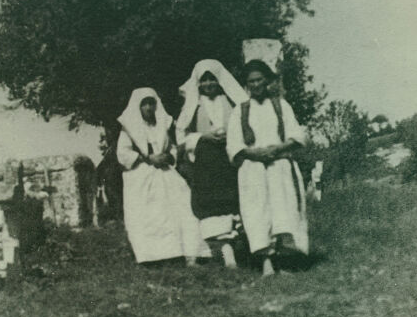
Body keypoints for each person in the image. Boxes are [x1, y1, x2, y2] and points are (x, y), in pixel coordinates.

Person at [226, 59, 308, 275]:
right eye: (251, 81)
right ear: (246, 84)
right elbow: (234, 145)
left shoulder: (281, 105)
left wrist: (279, 148)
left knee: (284, 212)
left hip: (279, 166)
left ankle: (286, 260)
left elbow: (297, 135)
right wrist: (254, 152)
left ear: (268, 81)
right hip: (254, 170)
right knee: (259, 214)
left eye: (259, 80)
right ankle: (266, 262)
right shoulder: (239, 111)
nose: (255, 85)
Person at [116, 88, 206, 265]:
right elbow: (123, 154)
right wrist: (147, 158)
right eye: (144, 104)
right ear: (137, 107)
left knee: (181, 206)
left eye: (151, 103)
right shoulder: (129, 130)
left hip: (165, 173)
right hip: (142, 175)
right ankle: (152, 256)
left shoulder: (161, 125)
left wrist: (168, 156)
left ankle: (185, 252)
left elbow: (171, 146)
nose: (149, 108)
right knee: (151, 213)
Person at [176, 60, 249, 267]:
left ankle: (236, 249)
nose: (208, 84)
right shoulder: (193, 105)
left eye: (212, 79)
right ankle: (224, 251)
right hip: (206, 161)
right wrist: (204, 137)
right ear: (198, 83)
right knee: (212, 205)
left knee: (232, 201)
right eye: (204, 80)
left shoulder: (232, 102)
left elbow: (245, 127)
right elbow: (182, 135)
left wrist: (232, 136)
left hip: (228, 159)